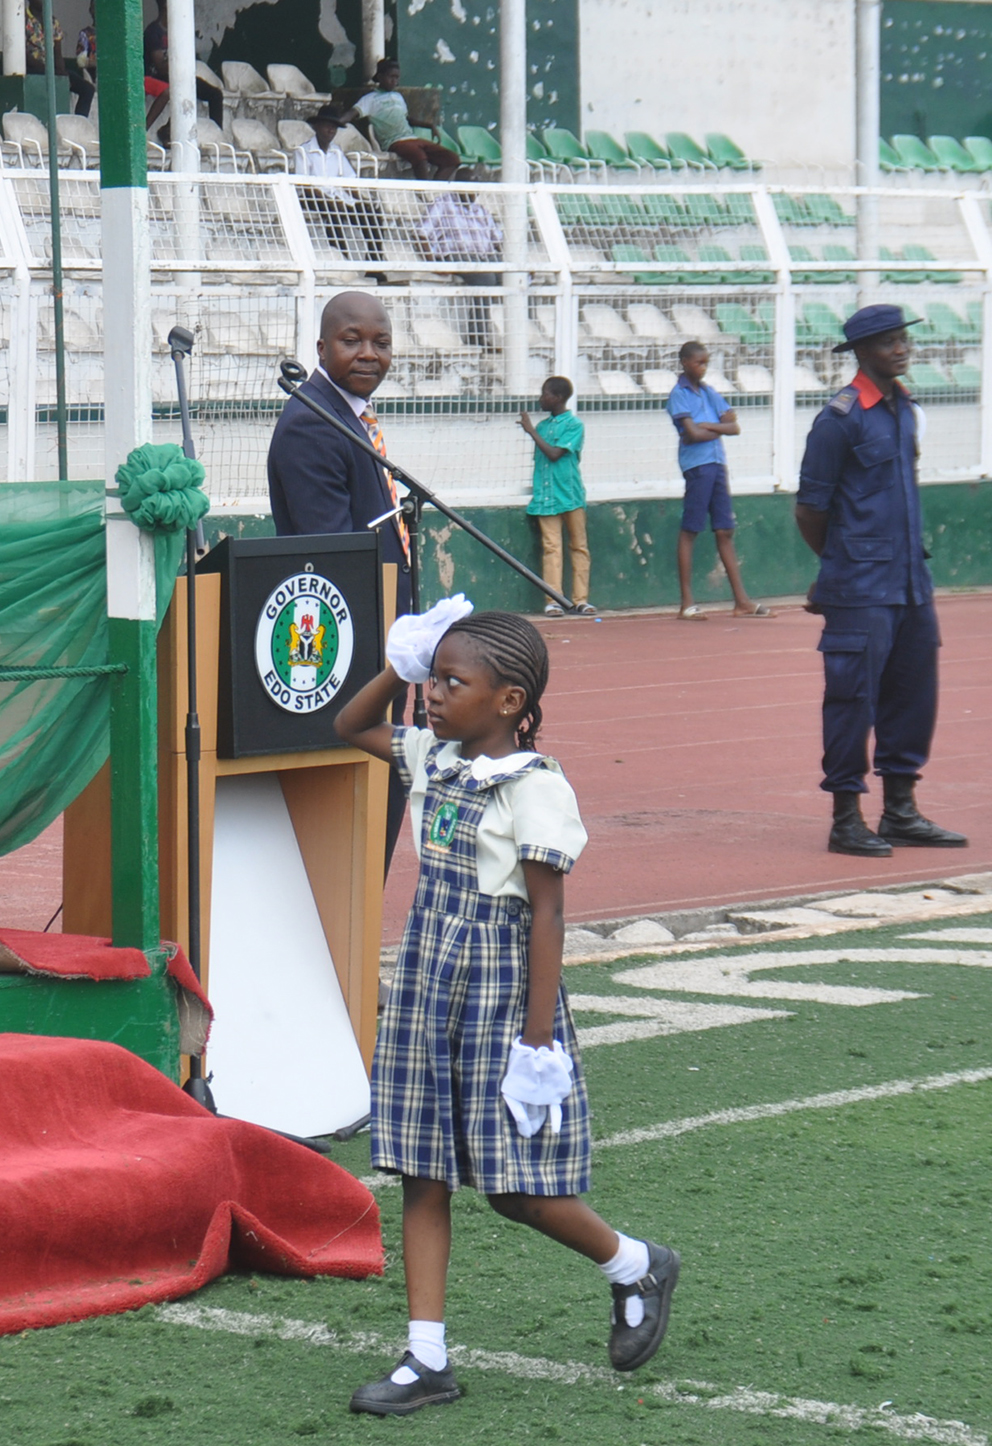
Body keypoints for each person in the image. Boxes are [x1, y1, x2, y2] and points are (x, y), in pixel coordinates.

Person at [334, 605, 678, 1418]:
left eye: (454, 683)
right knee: (422, 1171)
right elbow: (351, 722)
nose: (433, 698)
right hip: (427, 982)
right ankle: (427, 1358)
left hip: (500, 992)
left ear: (511, 700)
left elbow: (547, 916)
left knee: (516, 1189)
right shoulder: (431, 757)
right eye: (434, 680)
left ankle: (634, 1264)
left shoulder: (536, 787)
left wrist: (536, 1042)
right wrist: (402, 663)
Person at [795, 304, 968, 858]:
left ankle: (900, 812)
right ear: (862, 353)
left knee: (914, 696)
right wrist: (841, 564)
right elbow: (809, 510)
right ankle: (847, 818)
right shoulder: (839, 420)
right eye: (889, 342)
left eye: (903, 339)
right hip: (861, 587)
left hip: (912, 583)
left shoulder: (904, 410)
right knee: (851, 700)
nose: (902, 349)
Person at [268, 290, 412, 872]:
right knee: (371, 787)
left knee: (391, 778)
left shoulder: (348, 416)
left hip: (385, 629)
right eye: (352, 341)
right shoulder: (313, 425)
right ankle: (347, 941)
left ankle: (355, 938)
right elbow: (331, 553)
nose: (369, 354)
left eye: (381, 343)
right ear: (322, 347)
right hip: (352, 642)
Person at [667, 341, 770, 621]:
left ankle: (741, 601)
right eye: (699, 362)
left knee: (725, 531)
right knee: (690, 530)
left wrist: (707, 426)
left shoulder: (709, 392)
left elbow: (733, 426)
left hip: (717, 463)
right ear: (685, 362)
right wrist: (714, 428)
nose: (703, 367)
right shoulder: (679, 395)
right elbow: (692, 435)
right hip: (697, 466)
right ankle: (687, 602)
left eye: (706, 362)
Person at [518, 378, 594, 617]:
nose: (541, 398)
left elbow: (553, 454)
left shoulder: (574, 425)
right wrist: (534, 430)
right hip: (546, 498)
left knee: (578, 546)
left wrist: (530, 431)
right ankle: (554, 599)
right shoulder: (542, 427)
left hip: (570, 494)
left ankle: (580, 599)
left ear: (558, 398)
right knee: (552, 547)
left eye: (545, 394)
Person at [291, 107, 389, 265]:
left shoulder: (336, 151)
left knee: (371, 212)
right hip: (312, 197)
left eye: (334, 127)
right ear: (317, 126)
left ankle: (374, 260)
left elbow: (349, 180)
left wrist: (361, 200)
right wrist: (329, 200)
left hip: (338, 197)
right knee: (332, 210)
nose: (331, 130)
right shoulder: (303, 151)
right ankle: (341, 259)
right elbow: (304, 185)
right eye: (327, 126)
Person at [343, 59, 459, 179]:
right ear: (380, 76)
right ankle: (424, 194)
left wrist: (430, 126)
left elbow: (407, 119)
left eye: (397, 77)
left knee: (452, 159)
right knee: (420, 158)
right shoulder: (370, 99)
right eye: (391, 76)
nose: (394, 81)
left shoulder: (398, 97)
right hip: (394, 142)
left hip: (412, 138)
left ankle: (434, 192)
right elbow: (352, 113)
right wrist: (336, 122)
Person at [417, 188, 502, 351]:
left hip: (484, 255)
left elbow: (497, 239)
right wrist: (432, 262)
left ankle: (513, 334)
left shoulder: (480, 209)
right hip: (456, 254)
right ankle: (478, 336)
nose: (474, 194)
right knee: (486, 279)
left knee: (516, 276)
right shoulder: (443, 204)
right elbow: (421, 233)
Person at [141, 3, 222, 131]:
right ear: (165, 7)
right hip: (157, 76)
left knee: (215, 94)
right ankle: (168, 131)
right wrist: (181, 61)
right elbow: (160, 66)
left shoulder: (177, 32)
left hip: (176, 75)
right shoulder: (153, 32)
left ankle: (215, 133)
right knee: (183, 86)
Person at [27, 0, 94, 120]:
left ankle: (76, 125)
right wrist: (49, 71)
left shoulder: (53, 22)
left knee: (88, 89)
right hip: (32, 70)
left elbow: (57, 52)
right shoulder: (22, 20)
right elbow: (24, 56)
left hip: (52, 70)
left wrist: (62, 74)